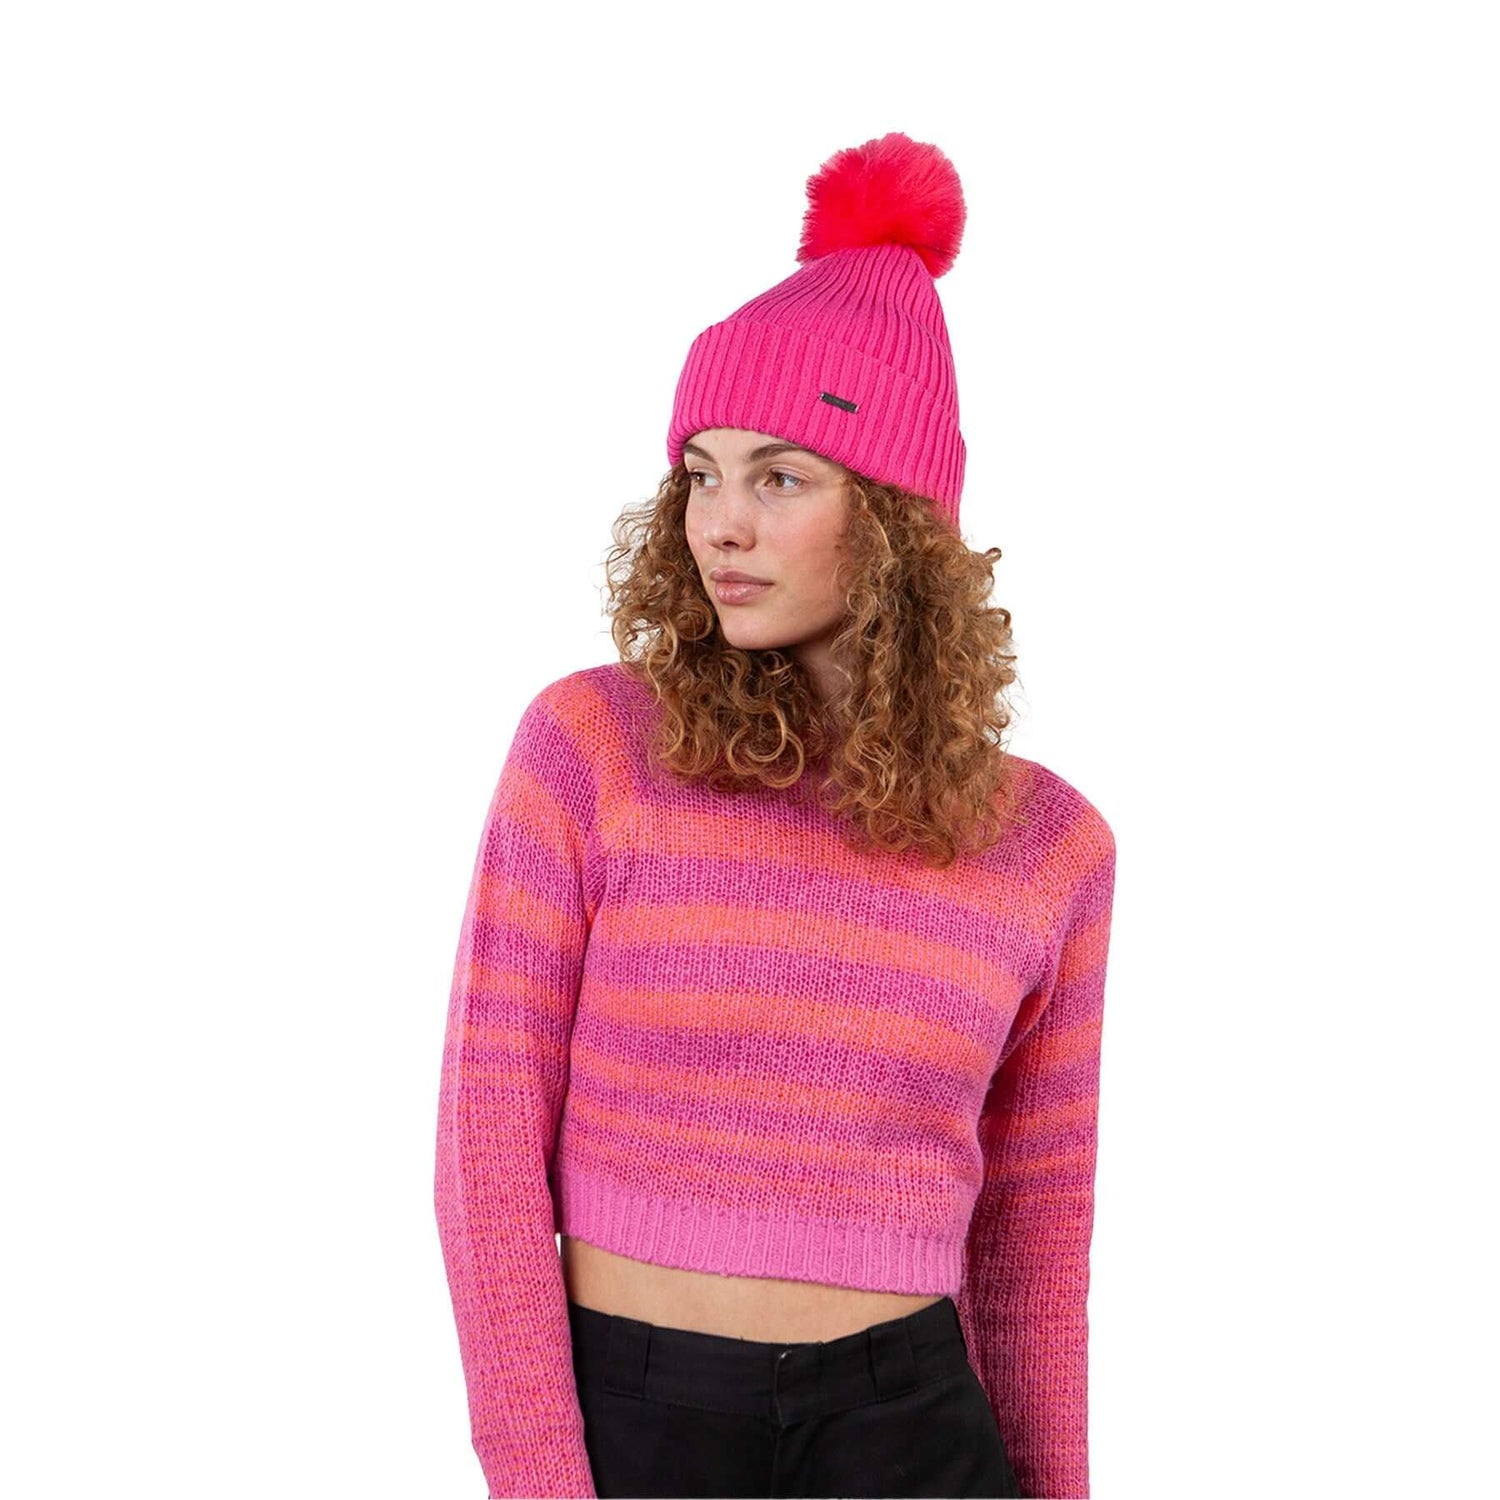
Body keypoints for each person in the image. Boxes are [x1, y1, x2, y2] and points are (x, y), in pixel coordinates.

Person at [433, 130, 1117, 1500]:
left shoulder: (1049, 847)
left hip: (912, 1435)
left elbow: (1033, 1247)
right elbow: (485, 1147)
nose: (719, 525)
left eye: (780, 477)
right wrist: (538, 1477)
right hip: (636, 1425)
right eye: (701, 472)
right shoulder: (591, 751)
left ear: (899, 523)